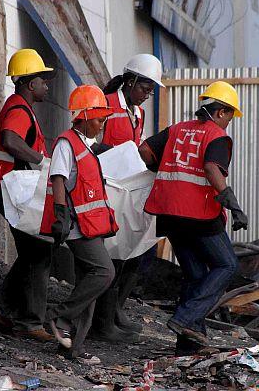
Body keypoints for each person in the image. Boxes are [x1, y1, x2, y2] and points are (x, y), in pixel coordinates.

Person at [138, 80, 248, 352]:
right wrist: (234, 206)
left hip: (169, 213)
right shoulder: (217, 136)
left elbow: (144, 150)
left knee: (196, 275)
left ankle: (187, 346)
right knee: (227, 265)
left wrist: (162, 169)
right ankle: (185, 318)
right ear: (221, 112)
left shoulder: (177, 129)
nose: (230, 121)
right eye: (230, 115)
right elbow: (212, 168)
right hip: (198, 214)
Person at [40, 85, 118, 364]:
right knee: (104, 273)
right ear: (83, 116)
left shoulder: (84, 145)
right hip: (75, 225)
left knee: (90, 285)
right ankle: (60, 315)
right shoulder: (66, 143)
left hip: (89, 225)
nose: (101, 125)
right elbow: (59, 178)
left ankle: (72, 347)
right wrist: (60, 215)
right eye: (98, 119)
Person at [90, 54, 164, 343]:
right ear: (131, 81)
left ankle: (115, 310)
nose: (147, 96)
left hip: (127, 189)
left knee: (134, 251)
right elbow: (88, 143)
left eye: (151, 91)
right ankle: (104, 321)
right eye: (145, 89)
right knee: (115, 252)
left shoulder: (138, 113)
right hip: (107, 187)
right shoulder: (106, 103)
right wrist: (115, 153)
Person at [0, 48, 55, 341]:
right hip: (12, 190)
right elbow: (10, 140)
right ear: (28, 83)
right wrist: (40, 160)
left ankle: (2, 305)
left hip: (11, 189)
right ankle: (29, 322)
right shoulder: (18, 109)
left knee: (32, 253)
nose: (47, 85)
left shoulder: (20, 107)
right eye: (43, 80)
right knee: (38, 252)